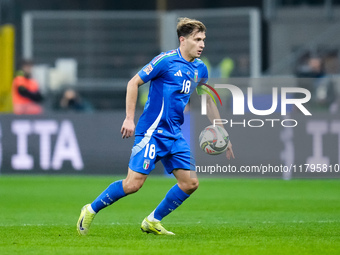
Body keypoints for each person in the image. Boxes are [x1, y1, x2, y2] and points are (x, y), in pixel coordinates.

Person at [77, 17, 234, 236]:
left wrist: (220, 129)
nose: (202, 44)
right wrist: (129, 118)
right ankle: (90, 209)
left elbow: (207, 100)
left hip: (174, 134)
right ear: (183, 40)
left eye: (204, 40)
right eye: (197, 39)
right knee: (133, 184)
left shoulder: (200, 68)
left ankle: (152, 221)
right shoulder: (165, 61)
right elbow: (133, 82)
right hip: (152, 132)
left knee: (190, 183)